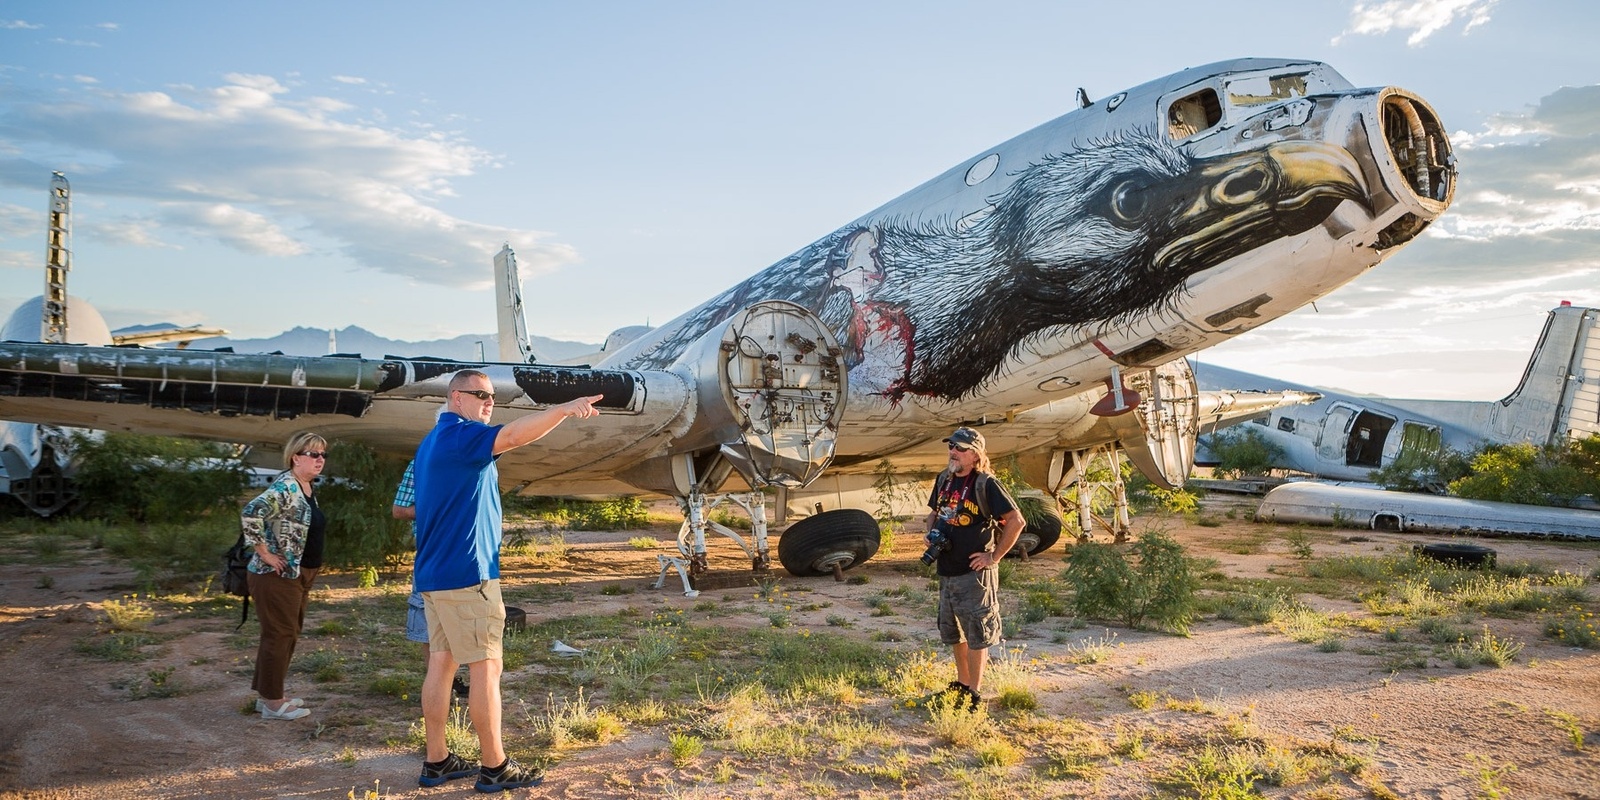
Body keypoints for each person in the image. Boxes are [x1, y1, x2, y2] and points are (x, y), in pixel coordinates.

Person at [413, 370, 602, 791]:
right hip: (466, 575)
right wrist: (564, 410)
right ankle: (495, 767)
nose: (489, 401)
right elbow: (514, 436)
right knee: (487, 667)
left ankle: (437, 760)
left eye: (492, 396)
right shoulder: (460, 437)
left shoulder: (433, 442)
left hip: (436, 574)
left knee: (441, 665)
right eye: (480, 395)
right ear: (456, 398)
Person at [923, 426, 1025, 712]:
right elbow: (933, 513)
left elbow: (1016, 521)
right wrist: (930, 531)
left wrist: (994, 556)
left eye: (960, 448)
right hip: (947, 569)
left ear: (975, 454)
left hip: (974, 574)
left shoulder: (986, 484)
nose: (953, 452)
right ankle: (962, 684)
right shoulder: (943, 479)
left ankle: (974, 694)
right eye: (951, 446)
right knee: (954, 632)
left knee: (978, 631)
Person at [240, 432, 331, 721]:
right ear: (295, 457)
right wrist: (265, 553)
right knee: (280, 634)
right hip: (276, 575)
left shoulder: (305, 486)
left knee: (285, 634)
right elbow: (251, 512)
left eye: (323, 455)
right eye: (313, 454)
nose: (320, 460)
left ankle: (267, 694)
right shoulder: (287, 487)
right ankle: (273, 703)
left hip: (299, 575)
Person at [391, 459, 468, 700]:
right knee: (428, 622)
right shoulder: (421, 463)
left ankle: (452, 682)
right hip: (432, 554)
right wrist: (438, 508)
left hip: (465, 554)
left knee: (462, 620)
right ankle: (440, 686)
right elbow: (399, 510)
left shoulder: (474, 457)